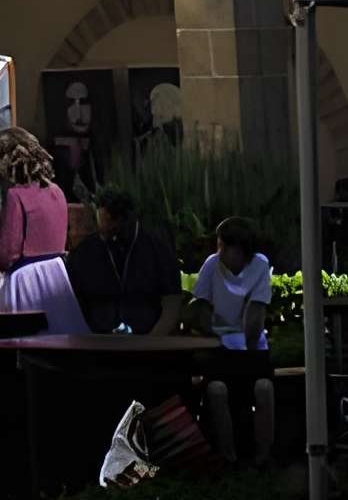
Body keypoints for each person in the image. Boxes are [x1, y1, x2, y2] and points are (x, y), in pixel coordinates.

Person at [0, 126, 88, 334]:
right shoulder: (57, 192)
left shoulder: (16, 195)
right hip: (57, 278)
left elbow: (4, 256)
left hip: (25, 282)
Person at [186, 215, 277, 465]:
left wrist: (247, 350)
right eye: (219, 244)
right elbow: (200, 306)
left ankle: (264, 456)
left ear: (240, 250)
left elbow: (256, 313)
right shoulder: (212, 265)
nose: (220, 250)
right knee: (216, 390)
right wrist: (211, 336)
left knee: (264, 388)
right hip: (220, 349)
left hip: (252, 351)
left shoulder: (259, 265)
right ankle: (228, 457)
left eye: (224, 245)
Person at [69, 185, 182, 335]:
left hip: (147, 341)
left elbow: (172, 304)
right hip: (97, 342)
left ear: (128, 219)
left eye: (111, 225)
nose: (104, 229)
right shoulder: (84, 252)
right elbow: (73, 302)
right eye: (101, 224)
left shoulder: (158, 250)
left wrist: (151, 344)